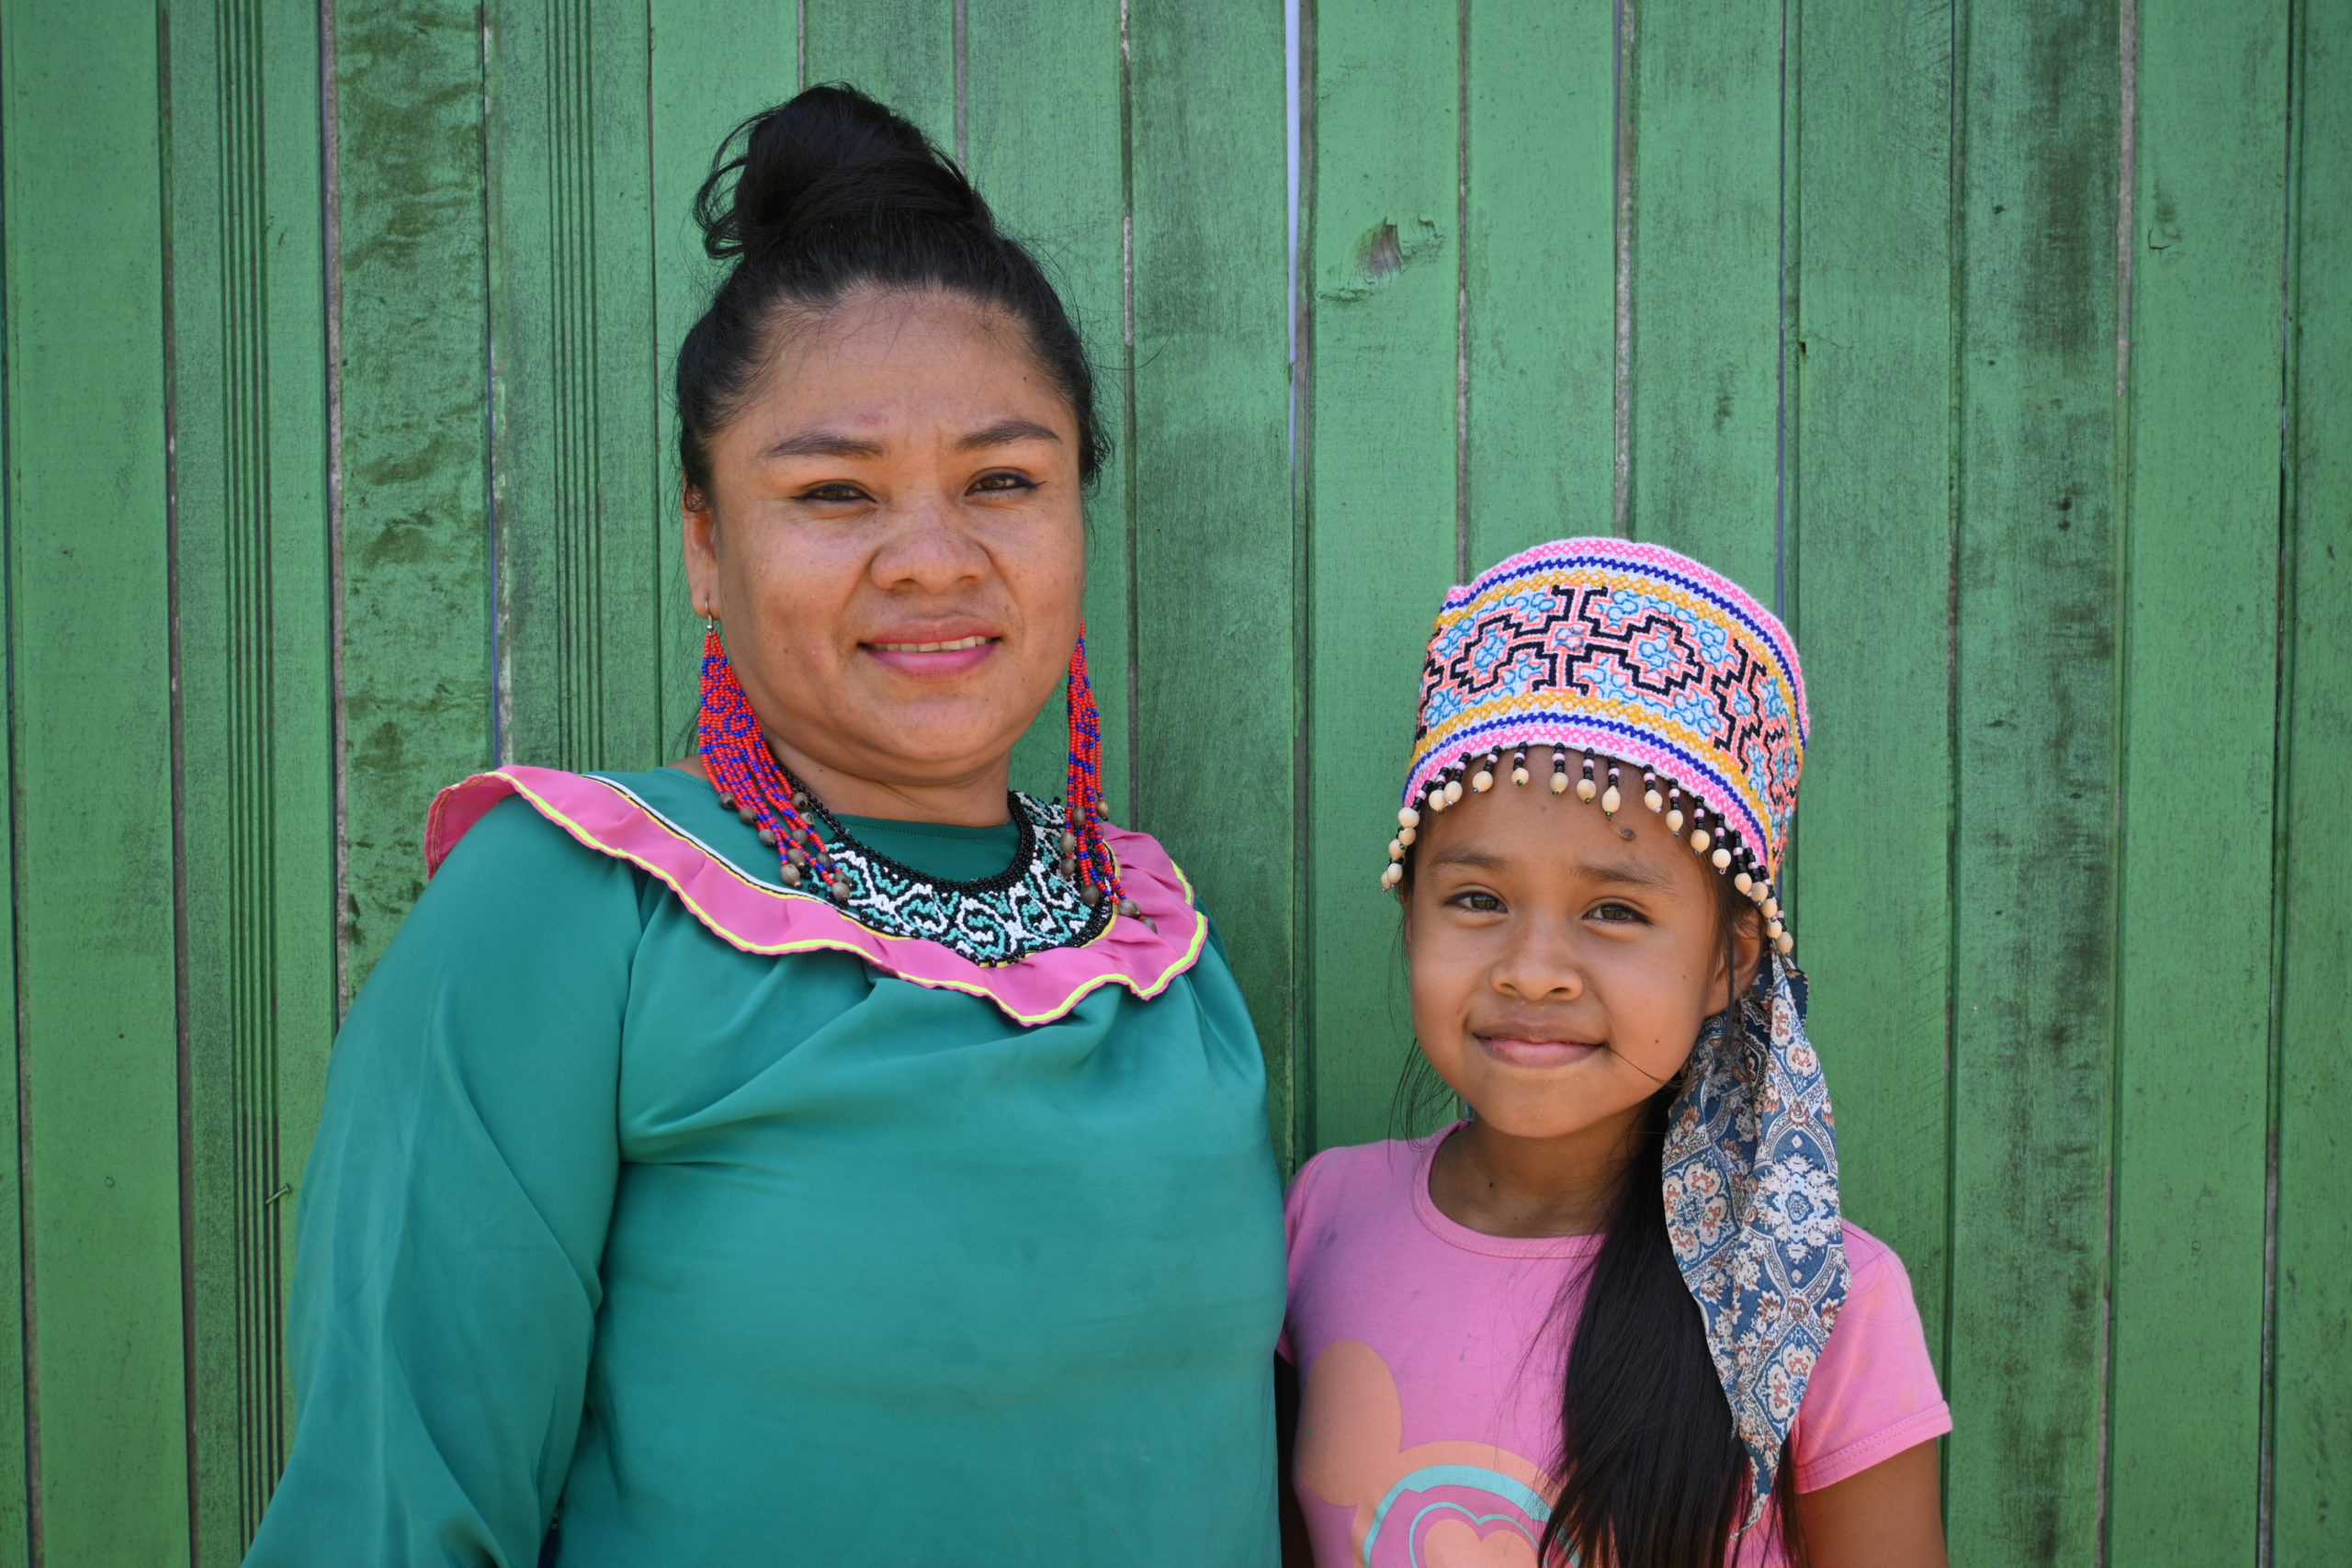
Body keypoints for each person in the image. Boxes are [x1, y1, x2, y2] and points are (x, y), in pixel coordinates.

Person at [244, 85, 1284, 1567]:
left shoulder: (1161, 948)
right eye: (834, 492)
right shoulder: (576, 910)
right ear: (704, 545)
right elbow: (399, 1507)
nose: (934, 558)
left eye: (1003, 480)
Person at [1277, 538, 1951, 1568]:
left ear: (1727, 962)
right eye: (1476, 900)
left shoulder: (1818, 1298)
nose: (1533, 970)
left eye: (1613, 911)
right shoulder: (1323, 1218)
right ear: (1409, 917)